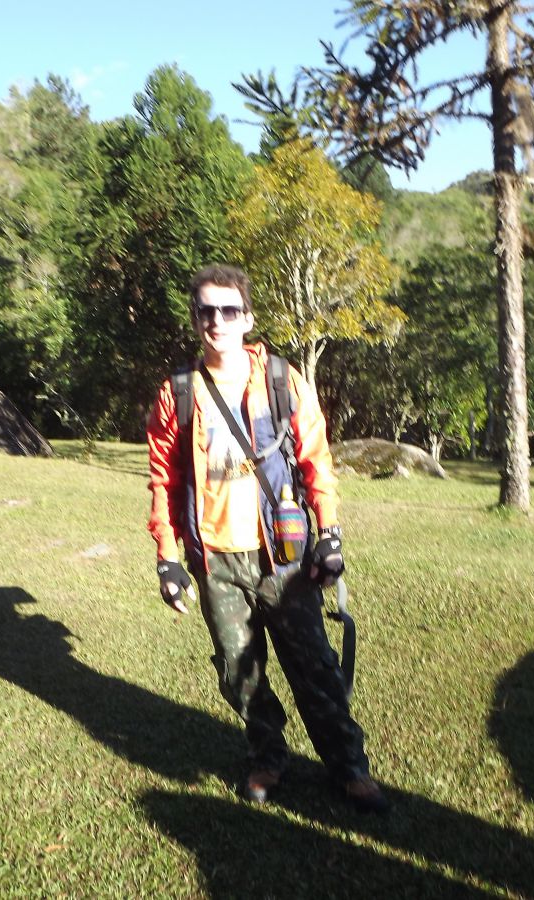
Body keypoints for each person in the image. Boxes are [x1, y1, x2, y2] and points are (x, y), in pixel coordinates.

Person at [146, 263, 388, 813]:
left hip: (283, 557)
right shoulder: (177, 393)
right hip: (215, 560)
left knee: (314, 667)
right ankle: (268, 757)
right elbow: (164, 479)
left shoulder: (282, 381)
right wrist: (168, 558)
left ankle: (349, 767)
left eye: (228, 310)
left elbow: (316, 460)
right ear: (195, 318)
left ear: (247, 318)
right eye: (206, 311)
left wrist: (330, 534)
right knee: (240, 672)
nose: (217, 320)